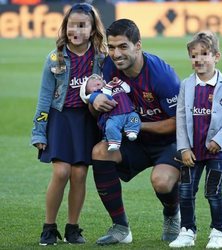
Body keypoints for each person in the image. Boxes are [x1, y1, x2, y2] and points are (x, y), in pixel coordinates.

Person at [88, 18, 181, 245]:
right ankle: (121, 228)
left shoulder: (162, 75)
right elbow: (97, 113)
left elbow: (178, 122)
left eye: (123, 46)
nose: (116, 53)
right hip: (134, 142)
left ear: (138, 45)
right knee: (100, 151)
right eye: (111, 47)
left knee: (161, 181)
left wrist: (137, 125)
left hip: (168, 142)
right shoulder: (108, 68)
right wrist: (95, 102)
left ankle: (172, 213)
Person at [30, 2, 107, 246]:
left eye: (83, 25)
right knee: (61, 171)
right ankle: (49, 227)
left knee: (79, 174)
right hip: (61, 119)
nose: (77, 30)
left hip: (86, 121)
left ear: (93, 29)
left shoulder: (102, 58)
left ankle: (73, 228)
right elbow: (44, 98)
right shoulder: (55, 58)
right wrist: (39, 132)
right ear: (65, 27)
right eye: (72, 25)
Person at [169, 31, 222, 249]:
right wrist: (183, 148)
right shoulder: (186, 85)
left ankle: (218, 231)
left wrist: (219, 140)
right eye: (194, 56)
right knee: (185, 190)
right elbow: (181, 117)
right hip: (191, 151)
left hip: (217, 151)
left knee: (213, 191)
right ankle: (187, 231)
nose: (199, 59)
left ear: (216, 56)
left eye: (204, 54)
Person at [80, 74, 141, 151]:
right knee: (110, 127)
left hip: (128, 111)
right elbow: (107, 96)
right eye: (93, 86)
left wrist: (119, 82)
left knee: (135, 117)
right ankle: (114, 142)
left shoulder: (117, 86)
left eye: (98, 80)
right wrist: (97, 94)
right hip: (114, 117)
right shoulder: (100, 94)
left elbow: (128, 89)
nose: (96, 82)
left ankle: (132, 131)